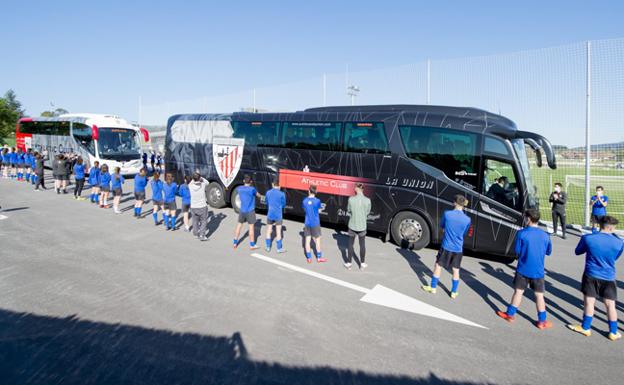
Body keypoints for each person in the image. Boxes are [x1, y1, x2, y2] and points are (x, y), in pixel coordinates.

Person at [567, 216, 623, 341]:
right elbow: (615, 257)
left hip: (591, 274)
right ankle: (613, 332)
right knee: (610, 305)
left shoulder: (588, 238)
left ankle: (586, 328)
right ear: (611, 227)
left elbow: (577, 251)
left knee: (589, 302)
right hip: (609, 277)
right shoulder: (619, 242)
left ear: (600, 225)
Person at [496, 209, 553, 329]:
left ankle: (510, 314)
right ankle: (542, 321)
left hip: (523, 269)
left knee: (518, 292)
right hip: (538, 271)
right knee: (539, 295)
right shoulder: (545, 235)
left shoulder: (522, 233)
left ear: (529, 219)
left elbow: (517, 251)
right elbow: (548, 251)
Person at [422, 195, 472, 298]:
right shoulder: (467, 219)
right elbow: (465, 232)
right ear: (463, 205)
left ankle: (433, 287)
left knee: (438, 265)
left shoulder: (447, 214)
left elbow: (442, 225)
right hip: (458, 248)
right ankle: (453, 292)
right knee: (456, 270)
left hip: (446, 246)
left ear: (454, 203)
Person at [344, 182, 372, 270]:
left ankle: (349, 263)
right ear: (363, 189)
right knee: (362, 244)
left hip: (352, 225)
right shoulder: (368, 200)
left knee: (350, 244)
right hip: (362, 225)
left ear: (356, 189)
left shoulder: (351, 199)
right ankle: (362, 263)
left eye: (354, 187)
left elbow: (348, 210)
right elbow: (367, 212)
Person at [233, 174, 261, 250]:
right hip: (250, 211)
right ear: (251, 181)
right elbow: (258, 195)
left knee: (239, 225)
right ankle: (252, 245)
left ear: (243, 181)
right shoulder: (252, 189)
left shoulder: (239, 188)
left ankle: (235, 242)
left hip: (242, 210)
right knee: (251, 228)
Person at [302, 184, 326, 263]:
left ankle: (309, 258)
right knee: (317, 240)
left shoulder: (304, 201)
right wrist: (320, 210)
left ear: (309, 191)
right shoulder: (317, 201)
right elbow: (318, 211)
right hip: (315, 223)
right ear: (315, 192)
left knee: (307, 240)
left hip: (307, 223)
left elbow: (305, 210)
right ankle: (319, 258)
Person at [264, 177, 286, 253]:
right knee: (278, 232)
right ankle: (279, 248)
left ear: (273, 184)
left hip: (270, 214)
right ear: (279, 185)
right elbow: (283, 204)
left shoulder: (268, 192)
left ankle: (267, 247)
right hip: (278, 215)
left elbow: (266, 202)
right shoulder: (282, 194)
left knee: (269, 230)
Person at [189, 172, 210, 241]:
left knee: (195, 220)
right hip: (202, 206)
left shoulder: (190, 186)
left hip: (193, 206)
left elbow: (192, 181)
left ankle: (195, 232)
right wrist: (201, 177)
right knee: (203, 221)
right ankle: (202, 235)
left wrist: (195, 176)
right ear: (199, 178)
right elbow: (207, 182)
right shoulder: (203, 184)